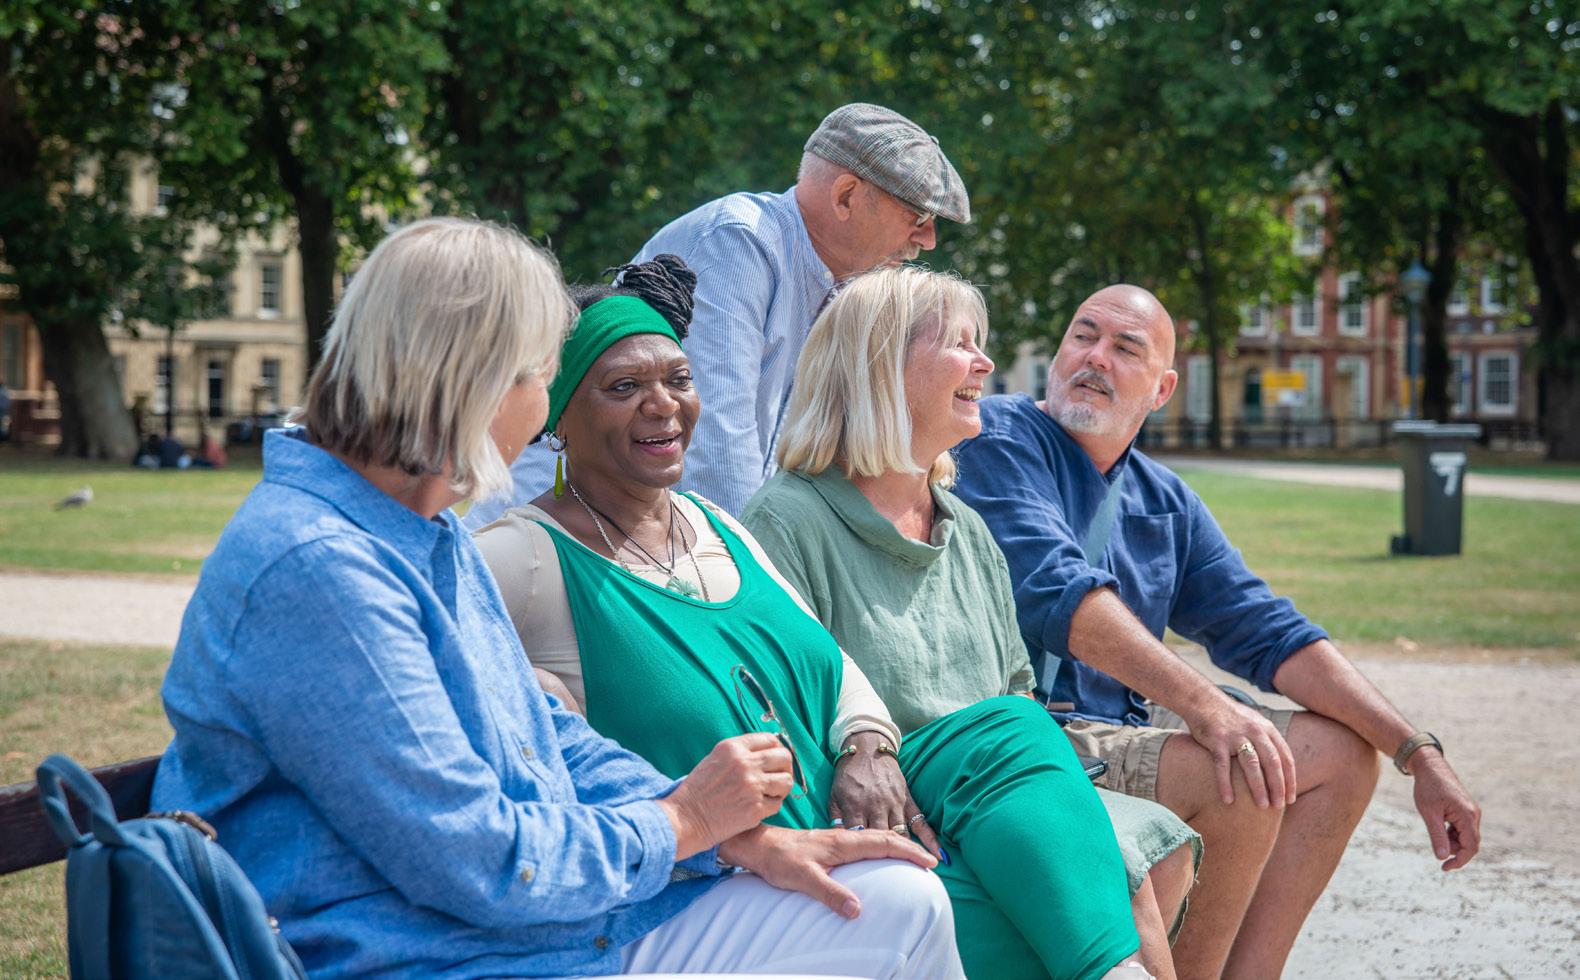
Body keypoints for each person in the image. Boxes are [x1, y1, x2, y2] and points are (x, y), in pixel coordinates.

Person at [151, 218, 958, 979]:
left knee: (900, 902)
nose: (540, 412)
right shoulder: (323, 569)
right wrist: (681, 823)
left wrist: (732, 838)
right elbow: (477, 857)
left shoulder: (420, 531)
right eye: (542, 378)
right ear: (472, 381)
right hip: (432, 954)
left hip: (536, 928)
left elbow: (546, 740)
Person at [475, 257, 1153, 980]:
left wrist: (866, 745)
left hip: (849, 828)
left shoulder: (715, 525)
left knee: (1015, 741)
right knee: (1014, 920)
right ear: (558, 418)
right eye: (623, 387)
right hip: (735, 883)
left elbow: (836, 666)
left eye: (679, 379)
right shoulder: (524, 556)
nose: (662, 405)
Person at [951, 283, 1485, 979]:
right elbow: (1060, 592)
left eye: (1126, 348)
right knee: (1238, 767)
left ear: (1163, 389)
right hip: (1023, 730)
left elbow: (1268, 629)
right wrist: (1208, 708)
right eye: (1083, 335)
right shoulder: (997, 435)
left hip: (1114, 726)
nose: (1096, 357)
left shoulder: (1165, 500)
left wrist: (1417, 753)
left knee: (1343, 756)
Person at [741, 266, 1202, 977]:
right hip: (881, 817)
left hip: (991, 813)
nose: (985, 363)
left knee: (1137, 849)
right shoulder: (786, 519)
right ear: (880, 368)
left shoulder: (968, 530)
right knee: (1072, 842)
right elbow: (787, 729)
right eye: (960, 344)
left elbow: (1015, 686)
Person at [466, 101, 969, 526]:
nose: (928, 240)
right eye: (919, 216)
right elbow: (715, 451)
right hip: (556, 536)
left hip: (630, 537)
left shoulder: (837, 284)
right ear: (846, 196)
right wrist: (761, 586)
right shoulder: (739, 240)